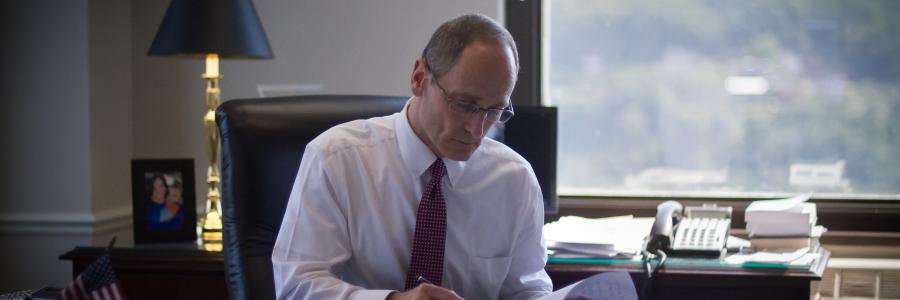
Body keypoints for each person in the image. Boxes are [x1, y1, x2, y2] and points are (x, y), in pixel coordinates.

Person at [272, 14, 553, 300]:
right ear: (419, 78)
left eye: (494, 111)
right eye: (464, 104)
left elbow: (527, 288)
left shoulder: (514, 178)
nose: (476, 129)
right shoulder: (336, 159)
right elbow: (295, 286)